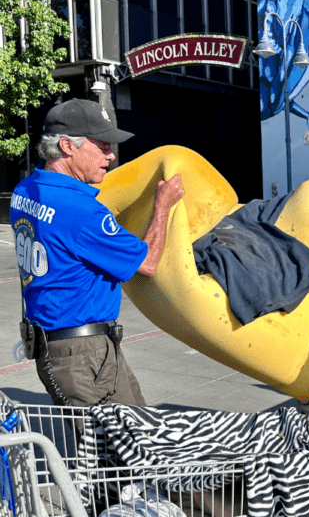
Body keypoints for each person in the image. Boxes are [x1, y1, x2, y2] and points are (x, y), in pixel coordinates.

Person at [10, 98, 185, 408]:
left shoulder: (25, 190)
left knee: (137, 433)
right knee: (112, 451)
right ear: (67, 146)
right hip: (83, 356)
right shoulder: (83, 212)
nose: (111, 155)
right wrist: (163, 206)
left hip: (58, 345)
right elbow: (147, 263)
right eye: (102, 145)